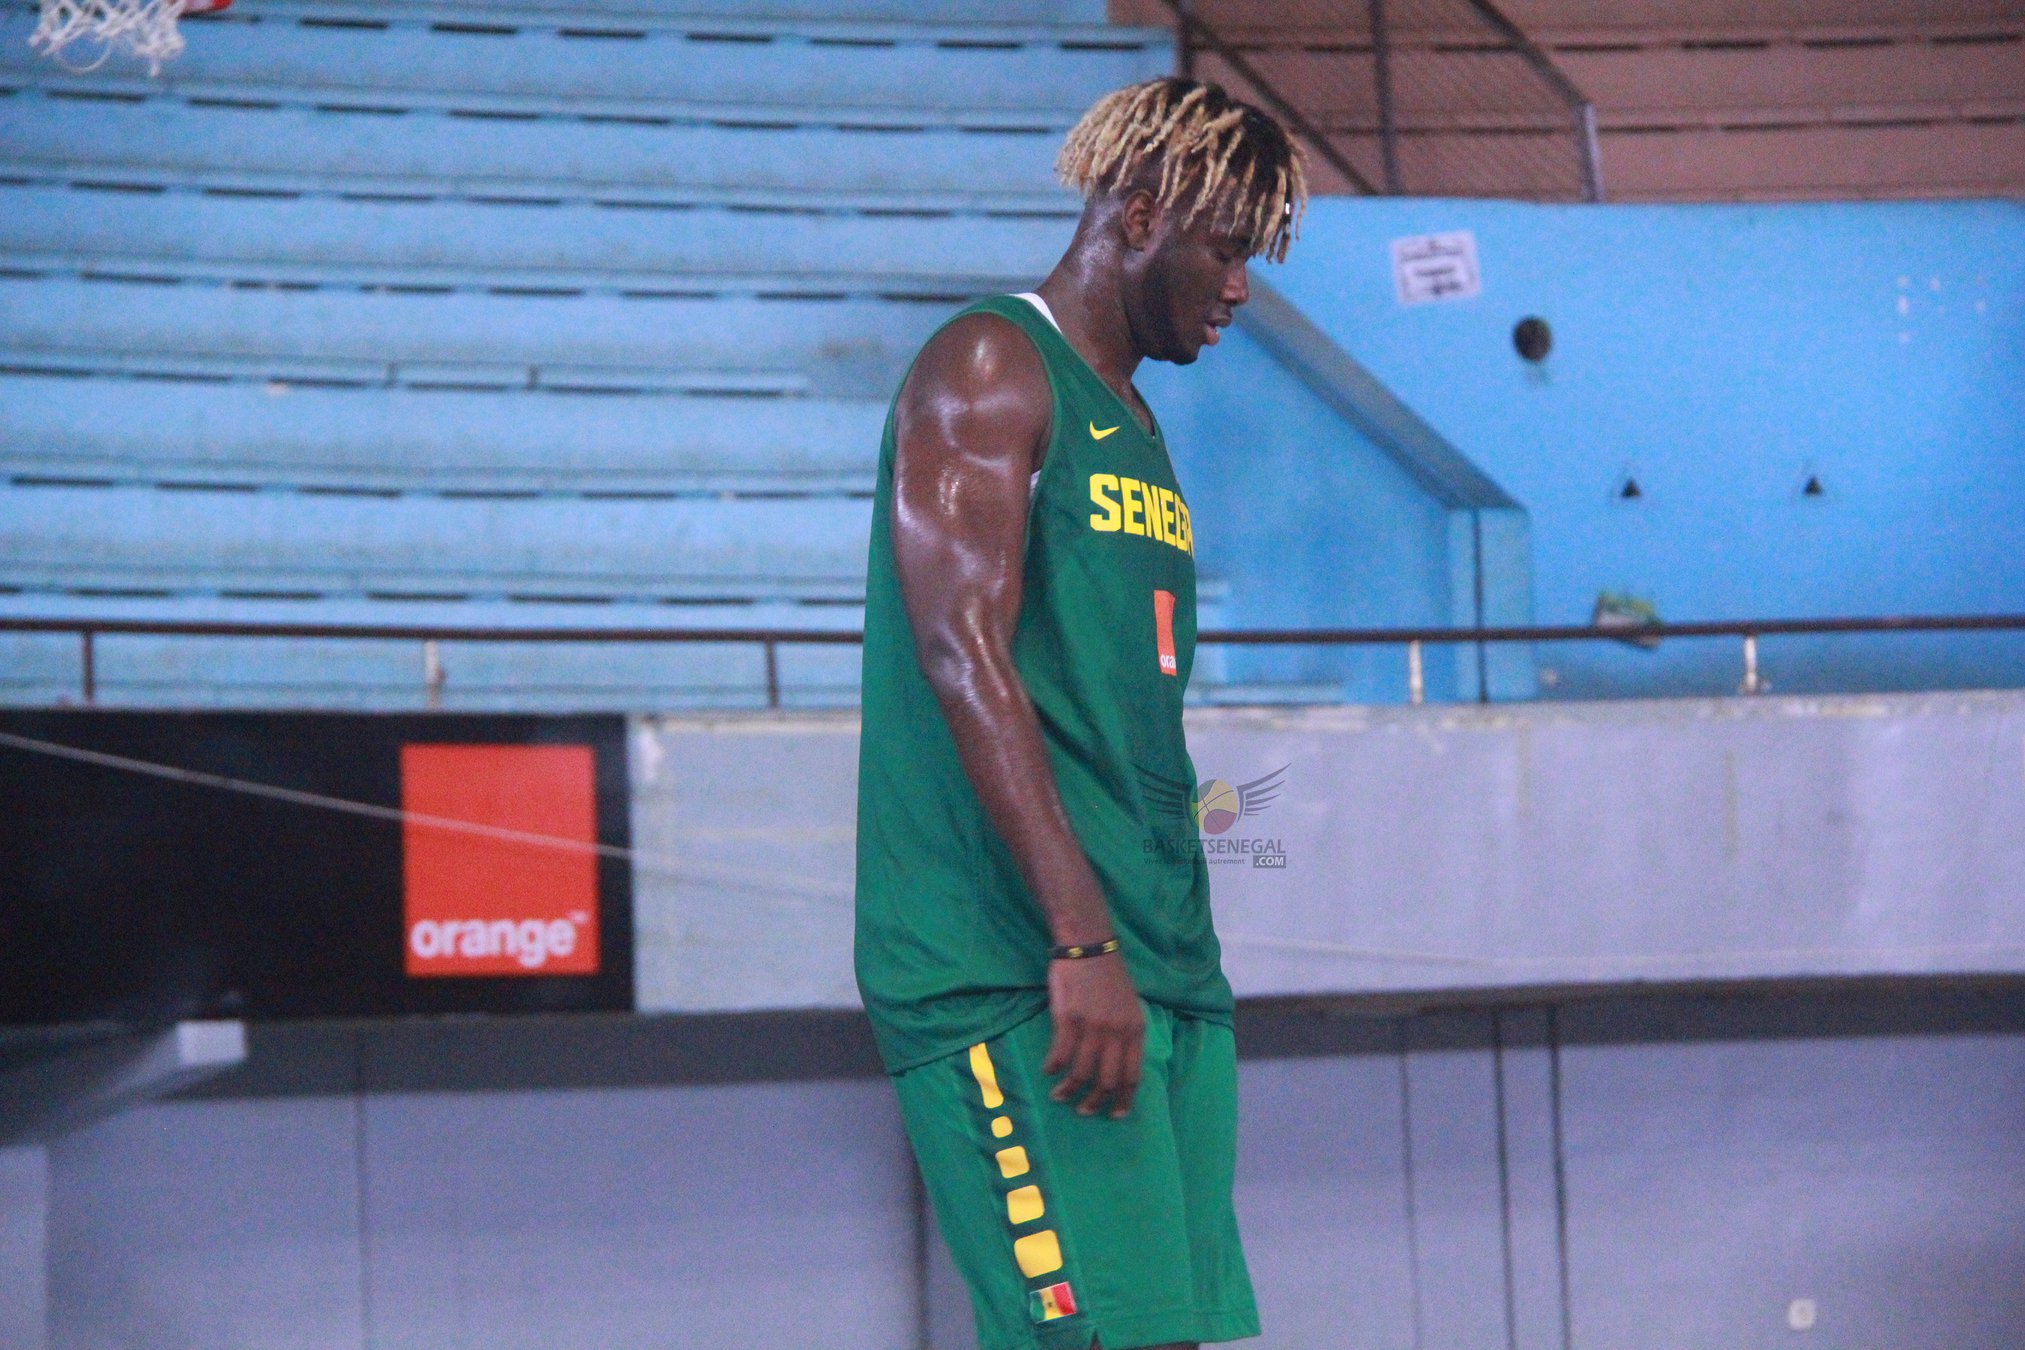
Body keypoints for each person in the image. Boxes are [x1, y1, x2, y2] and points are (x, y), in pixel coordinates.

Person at [854, 77, 1306, 1350]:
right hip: (1016, 965)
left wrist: (1163, 958)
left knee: (1162, 1334)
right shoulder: (992, 363)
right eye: (1225, 248)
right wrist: (1083, 940)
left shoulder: (1140, 426)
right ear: (1141, 215)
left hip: (1162, 965)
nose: (1238, 289)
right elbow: (960, 651)